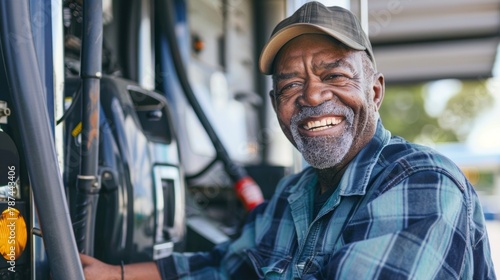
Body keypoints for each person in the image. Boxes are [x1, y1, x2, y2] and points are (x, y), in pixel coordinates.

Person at [81, 2, 496, 279]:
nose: (312, 96)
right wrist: (111, 273)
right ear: (275, 103)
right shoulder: (293, 193)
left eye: (334, 75)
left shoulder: (422, 181)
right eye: (291, 84)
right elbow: (223, 265)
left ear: (374, 91)